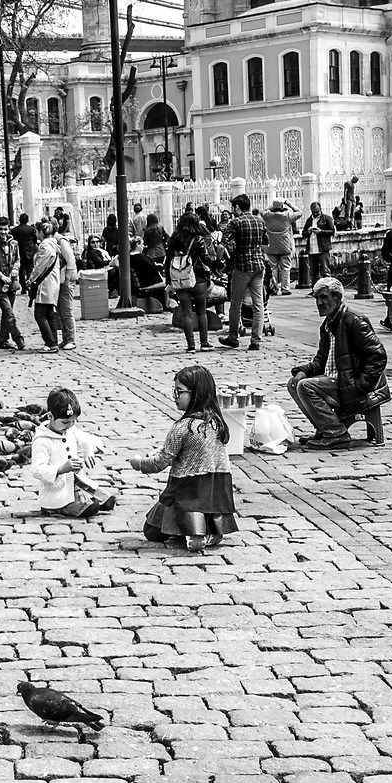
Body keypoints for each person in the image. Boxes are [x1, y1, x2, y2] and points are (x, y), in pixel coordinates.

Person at [131, 365, 238, 551]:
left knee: (151, 532)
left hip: (186, 490)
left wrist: (139, 463)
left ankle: (194, 532)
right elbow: (192, 451)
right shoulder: (217, 422)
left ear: (195, 394)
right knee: (203, 506)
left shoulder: (183, 427)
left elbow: (160, 462)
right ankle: (208, 532)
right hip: (215, 490)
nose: (175, 396)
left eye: (179, 392)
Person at [288, 276, 388, 450]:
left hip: (353, 385)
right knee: (295, 382)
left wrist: (360, 386)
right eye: (317, 298)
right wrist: (304, 370)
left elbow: (378, 356)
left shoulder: (354, 320)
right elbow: (321, 359)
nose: (319, 302)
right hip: (337, 380)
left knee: (305, 387)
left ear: (337, 298)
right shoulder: (328, 325)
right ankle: (324, 428)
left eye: (324, 297)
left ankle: (336, 433)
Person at [22, 386, 114, 518]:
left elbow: (88, 440)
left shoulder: (71, 430)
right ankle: (56, 509)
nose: (69, 426)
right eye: (65, 422)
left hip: (77, 483)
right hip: (57, 492)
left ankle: (83, 498)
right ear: (50, 417)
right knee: (92, 508)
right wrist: (61, 469)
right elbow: (37, 470)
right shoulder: (42, 440)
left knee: (109, 502)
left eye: (73, 421)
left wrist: (89, 451)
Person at [225, 195, 267, 350]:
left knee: (236, 304)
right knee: (258, 305)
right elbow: (265, 243)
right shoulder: (260, 220)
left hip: (242, 267)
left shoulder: (235, 222)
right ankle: (256, 340)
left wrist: (221, 257)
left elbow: (223, 243)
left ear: (237, 207)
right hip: (258, 266)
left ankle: (233, 337)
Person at [164, 213, 210, 353]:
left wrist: (169, 281)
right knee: (201, 312)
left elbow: (168, 262)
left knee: (187, 313)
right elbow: (206, 258)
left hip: (180, 277)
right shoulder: (198, 239)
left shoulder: (174, 239)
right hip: (198, 277)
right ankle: (204, 342)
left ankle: (190, 345)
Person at [26, 223, 67, 350]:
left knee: (40, 315)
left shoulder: (45, 245)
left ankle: (50, 342)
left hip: (45, 283)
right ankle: (53, 341)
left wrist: (31, 278)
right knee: (49, 314)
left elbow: (40, 266)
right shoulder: (53, 243)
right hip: (51, 282)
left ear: (41, 232)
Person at [0, 222, 25, 352]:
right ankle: (18, 337)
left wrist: (15, 268)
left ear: (8, 229)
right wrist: (0, 275)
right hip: (0, 284)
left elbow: (18, 260)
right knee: (9, 312)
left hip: (12, 283)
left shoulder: (14, 244)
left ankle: (3, 340)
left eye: (5, 229)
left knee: (6, 313)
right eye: (0, 229)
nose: (3, 232)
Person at [50, 221, 80, 351]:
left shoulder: (61, 241)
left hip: (66, 280)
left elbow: (70, 261)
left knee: (66, 310)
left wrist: (68, 279)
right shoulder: (54, 240)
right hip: (60, 280)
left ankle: (71, 339)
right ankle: (65, 338)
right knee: (61, 310)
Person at [263, 201, 296, 297]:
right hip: (285, 246)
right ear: (282, 207)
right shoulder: (287, 216)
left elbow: (262, 212)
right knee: (285, 268)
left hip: (271, 246)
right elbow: (299, 212)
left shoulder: (268, 216)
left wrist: (271, 206)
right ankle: (285, 288)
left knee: (272, 268)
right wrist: (289, 203)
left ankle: (273, 288)